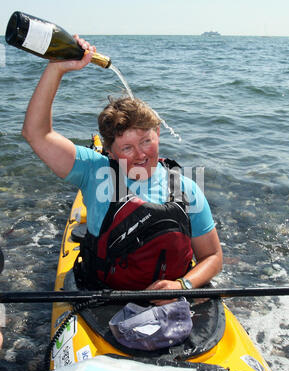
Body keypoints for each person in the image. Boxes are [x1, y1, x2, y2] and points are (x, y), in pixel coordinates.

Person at [22, 36, 223, 304]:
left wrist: (182, 285)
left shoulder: (186, 188)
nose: (141, 154)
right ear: (110, 151)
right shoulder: (94, 172)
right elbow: (36, 133)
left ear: (159, 133)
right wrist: (57, 67)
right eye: (127, 148)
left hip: (173, 297)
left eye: (146, 141)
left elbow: (212, 257)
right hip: (106, 296)